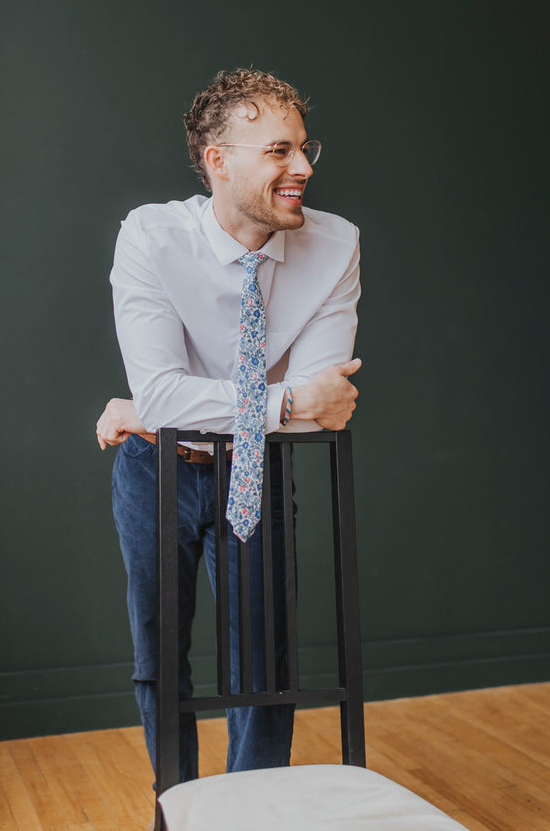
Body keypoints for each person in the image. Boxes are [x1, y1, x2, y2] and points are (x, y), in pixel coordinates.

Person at [96, 68, 361, 788]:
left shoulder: (335, 246)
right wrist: (268, 402)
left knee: (265, 659)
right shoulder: (151, 236)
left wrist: (164, 401)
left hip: (257, 471)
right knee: (159, 656)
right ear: (218, 161)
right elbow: (286, 404)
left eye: (304, 149)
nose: (302, 168)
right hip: (156, 468)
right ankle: (176, 804)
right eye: (279, 151)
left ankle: (253, 811)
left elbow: (325, 401)